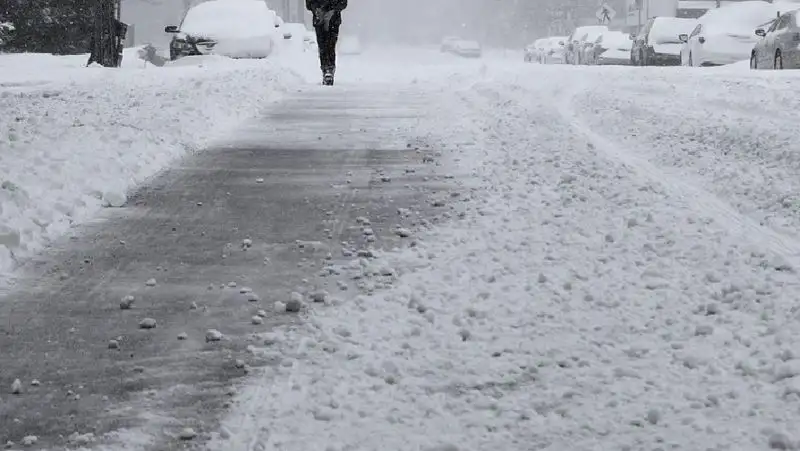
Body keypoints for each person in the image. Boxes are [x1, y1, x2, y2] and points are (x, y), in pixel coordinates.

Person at [306, 0, 348, 86]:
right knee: (322, 46)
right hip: (319, 18)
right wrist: (317, 9)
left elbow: (343, 3)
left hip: (333, 19)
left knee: (331, 44)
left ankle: (330, 69)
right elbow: (309, 3)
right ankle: (325, 69)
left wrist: (332, 10)